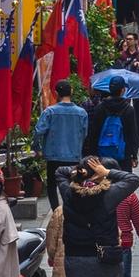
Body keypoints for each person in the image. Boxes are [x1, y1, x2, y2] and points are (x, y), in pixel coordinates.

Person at [32, 80, 88, 210]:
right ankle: (71, 210)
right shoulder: (81, 113)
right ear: (71, 92)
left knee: (52, 185)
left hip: (53, 156)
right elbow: (85, 134)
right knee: (73, 184)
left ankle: (56, 211)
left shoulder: (49, 112)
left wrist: (37, 148)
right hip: (73, 156)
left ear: (56, 93)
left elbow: (38, 131)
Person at [84, 75, 139, 170]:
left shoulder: (100, 108)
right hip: (123, 154)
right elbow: (133, 134)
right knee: (123, 181)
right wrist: (134, 155)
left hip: (102, 154)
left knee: (105, 181)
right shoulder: (128, 109)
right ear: (123, 90)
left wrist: (92, 153)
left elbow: (94, 132)